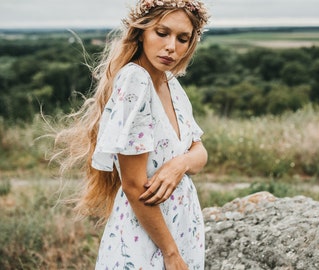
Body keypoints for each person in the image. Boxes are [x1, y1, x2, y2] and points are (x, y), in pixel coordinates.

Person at [53, 0, 209, 269]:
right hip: (148, 241)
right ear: (141, 32)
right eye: (162, 33)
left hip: (181, 227)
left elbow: (199, 151)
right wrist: (170, 254)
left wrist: (179, 165)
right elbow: (134, 185)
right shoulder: (135, 81)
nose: (172, 46)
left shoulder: (170, 83)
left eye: (182, 38)